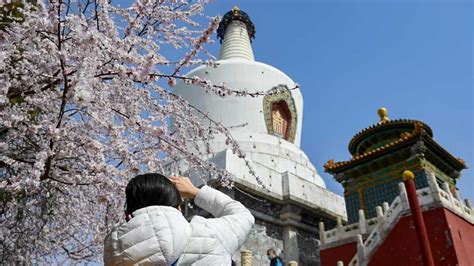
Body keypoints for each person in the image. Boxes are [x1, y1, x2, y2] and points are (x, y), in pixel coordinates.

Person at [104, 173, 255, 265]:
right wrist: (195, 192)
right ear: (178, 208)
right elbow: (243, 216)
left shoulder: (115, 255)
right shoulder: (208, 234)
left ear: (128, 213)